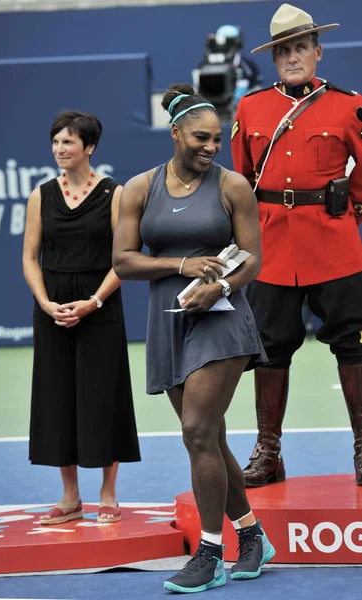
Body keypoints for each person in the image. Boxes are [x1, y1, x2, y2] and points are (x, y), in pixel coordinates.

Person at [113, 83, 274, 593]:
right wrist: (181, 265)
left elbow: (252, 257)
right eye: (200, 138)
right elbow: (123, 261)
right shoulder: (139, 187)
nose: (210, 146)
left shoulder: (233, 187)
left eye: (217, 139)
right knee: (209, 438)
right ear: (176, 133)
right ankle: (252, 538)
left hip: (223, 319)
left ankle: (210, 552)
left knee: (199, 431)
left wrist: (220, 284)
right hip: (169, 320)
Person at [231, 3, 362, 488]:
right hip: (272, 246)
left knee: (353, 342)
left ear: (317, 52)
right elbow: (241, 177)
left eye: (300, 47)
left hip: (333, 241)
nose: (292, 57)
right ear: (274, 58)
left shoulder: (348, 105)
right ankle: (269, 453)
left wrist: (350, 213)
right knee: (268, 349)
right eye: (283, 50)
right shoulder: (251, 108)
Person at [22, 110, 140, 525]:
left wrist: (94, 301)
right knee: (57, 399)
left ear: (89, 147)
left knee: (102, 397)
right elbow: (30, 257)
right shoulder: (40, 196)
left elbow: (123, 259)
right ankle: (70, 498)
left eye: (68, 142)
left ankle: (108, 495)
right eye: (55, 141)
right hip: (53, 311)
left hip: (99, 308)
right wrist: (44, 301)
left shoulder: (115, 193)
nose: (59, 149)